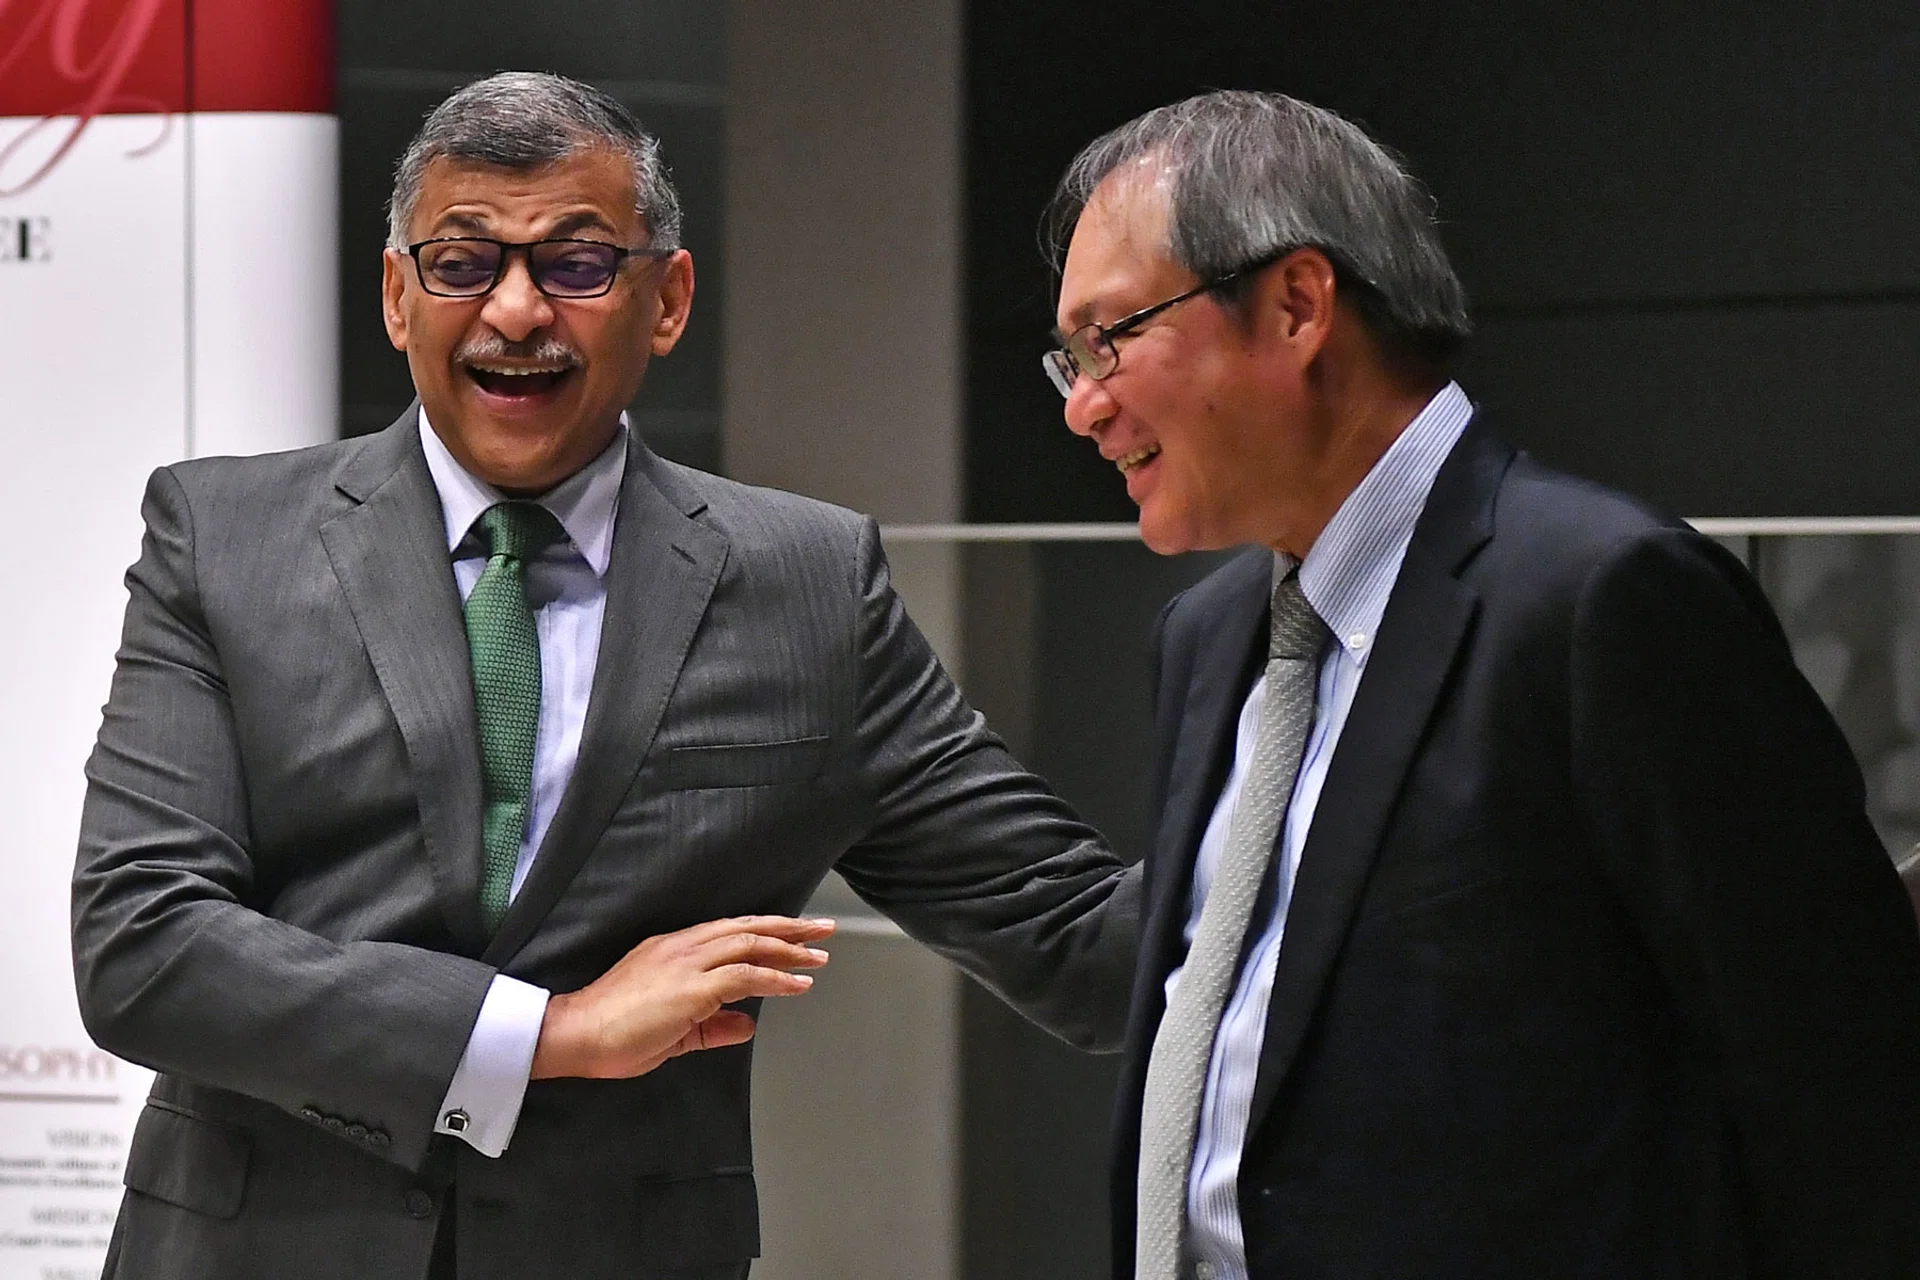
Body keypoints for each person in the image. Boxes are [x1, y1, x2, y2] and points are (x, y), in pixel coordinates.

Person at [72, 71, 1136, 1280]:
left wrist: (1348, 765)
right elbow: (144, 943)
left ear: (668, 297)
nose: (516, 312)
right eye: (463, 262)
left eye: (578, 265)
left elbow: (1079, 938)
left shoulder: (808, 586)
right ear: (395, 294)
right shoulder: (225, 536)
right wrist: (550, 1033)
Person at [1040, 90, 1920, 1280]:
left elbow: (1841, 1089)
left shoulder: (1603, 598)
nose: (1085, 405)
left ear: (1298, 303)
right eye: (1069, 359)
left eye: (1112, 338)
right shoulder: (1205, 639)